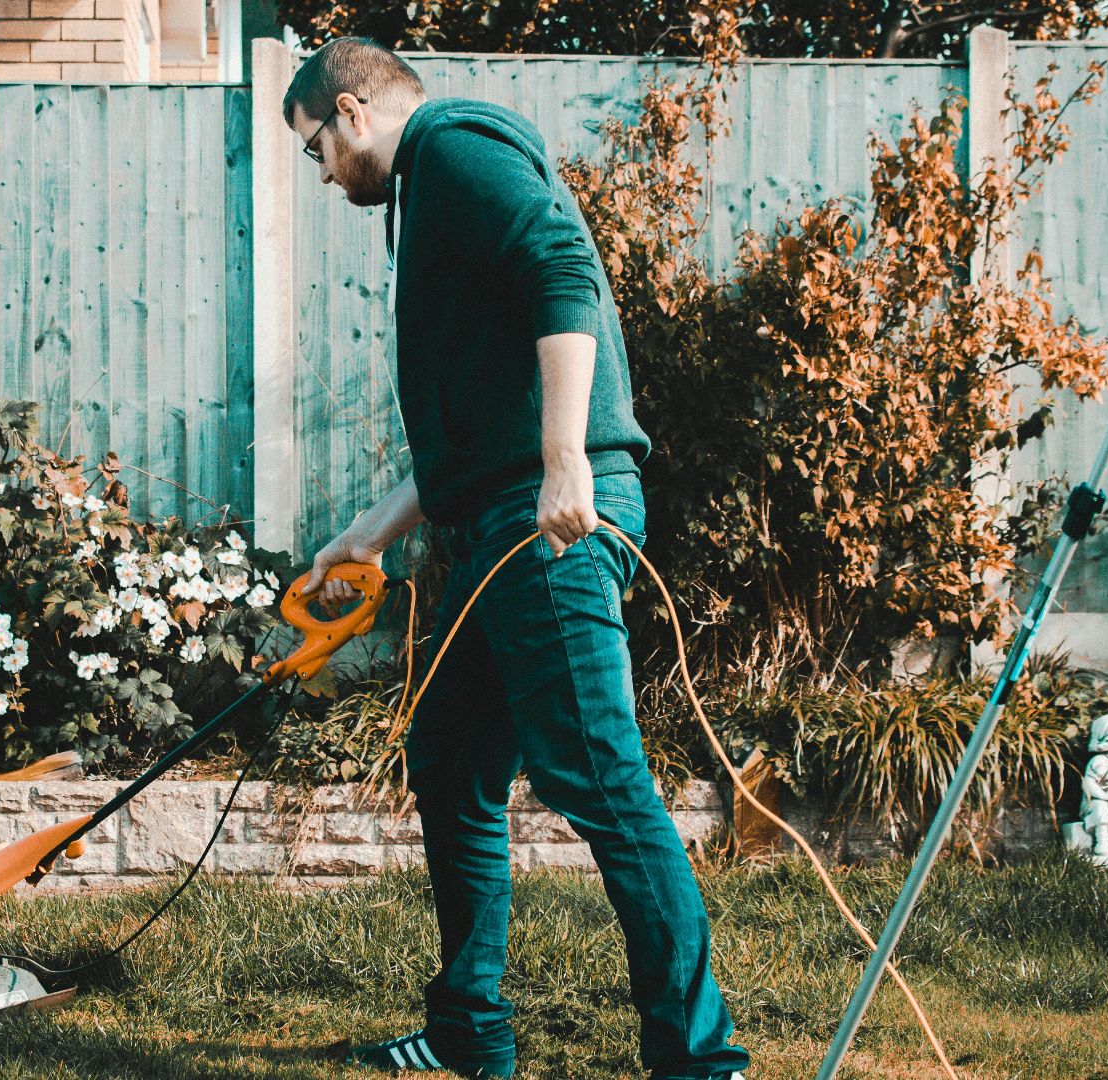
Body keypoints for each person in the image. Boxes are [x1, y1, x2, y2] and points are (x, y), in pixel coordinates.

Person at [288, 36, 750, 1080]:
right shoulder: (426, 194)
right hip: (508, 515)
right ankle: (468, 1033)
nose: (319, 175)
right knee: (450, 759)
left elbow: (561, 266)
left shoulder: (455, 146)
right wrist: (364, 538)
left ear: (352, 113)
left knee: (599, 778)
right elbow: (467, 445)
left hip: (550, 522)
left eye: (314, 147)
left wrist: (561, 463)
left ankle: (700, 1060)